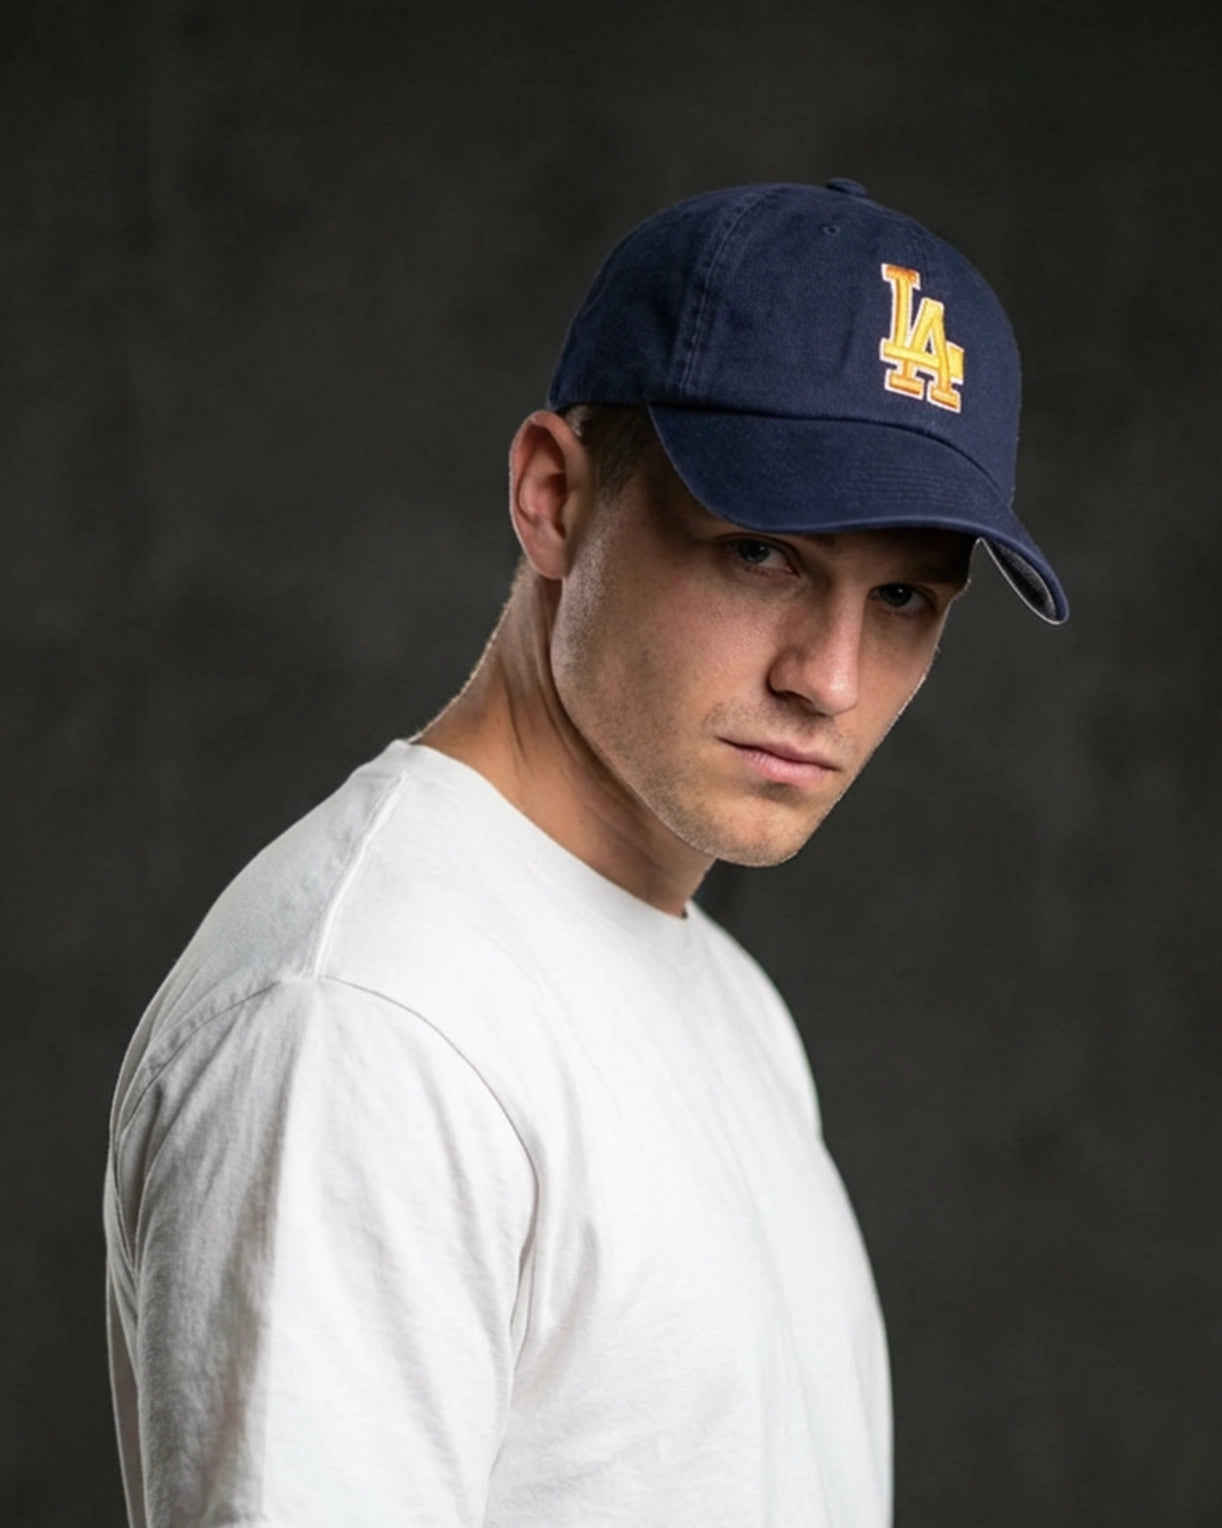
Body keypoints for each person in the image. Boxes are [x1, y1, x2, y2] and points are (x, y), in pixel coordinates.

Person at [103, 179, 1067, 1528]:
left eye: (903, 597)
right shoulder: (368, 1022)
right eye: (759, 554)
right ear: (553, 497)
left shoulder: (727, 998)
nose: (830, 680)